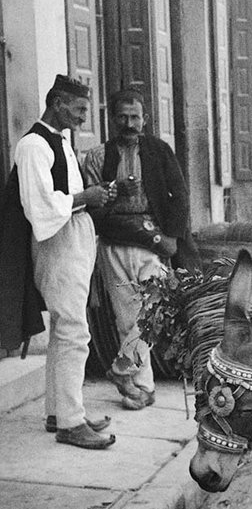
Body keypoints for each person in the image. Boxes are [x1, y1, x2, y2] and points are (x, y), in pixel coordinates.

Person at [0, 75, 116, 448]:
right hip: (56, 241)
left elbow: (64, 195)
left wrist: (91, 198)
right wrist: (87, 197)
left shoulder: (60, 142)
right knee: (72, 331)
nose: (84, 117)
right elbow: (41, 208)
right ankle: (70, 422)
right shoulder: (34, 145)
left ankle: (59, 412)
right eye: (79, 109)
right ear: (58, 102)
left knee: (67, 330)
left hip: (73, 238)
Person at [82, 88, 197, 411]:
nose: (129, 123)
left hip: (151, 240)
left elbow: (180, 196)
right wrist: (116, 194)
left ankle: (122, 367)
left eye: (135, 117)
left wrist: (171, 237)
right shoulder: (97, 157)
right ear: (111, 119)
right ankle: (142, 386)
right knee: (125, 316)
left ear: (144, 119)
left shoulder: (160, 151)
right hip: (114, 242)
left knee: (153, 311)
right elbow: (93, 209)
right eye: (123, 117)